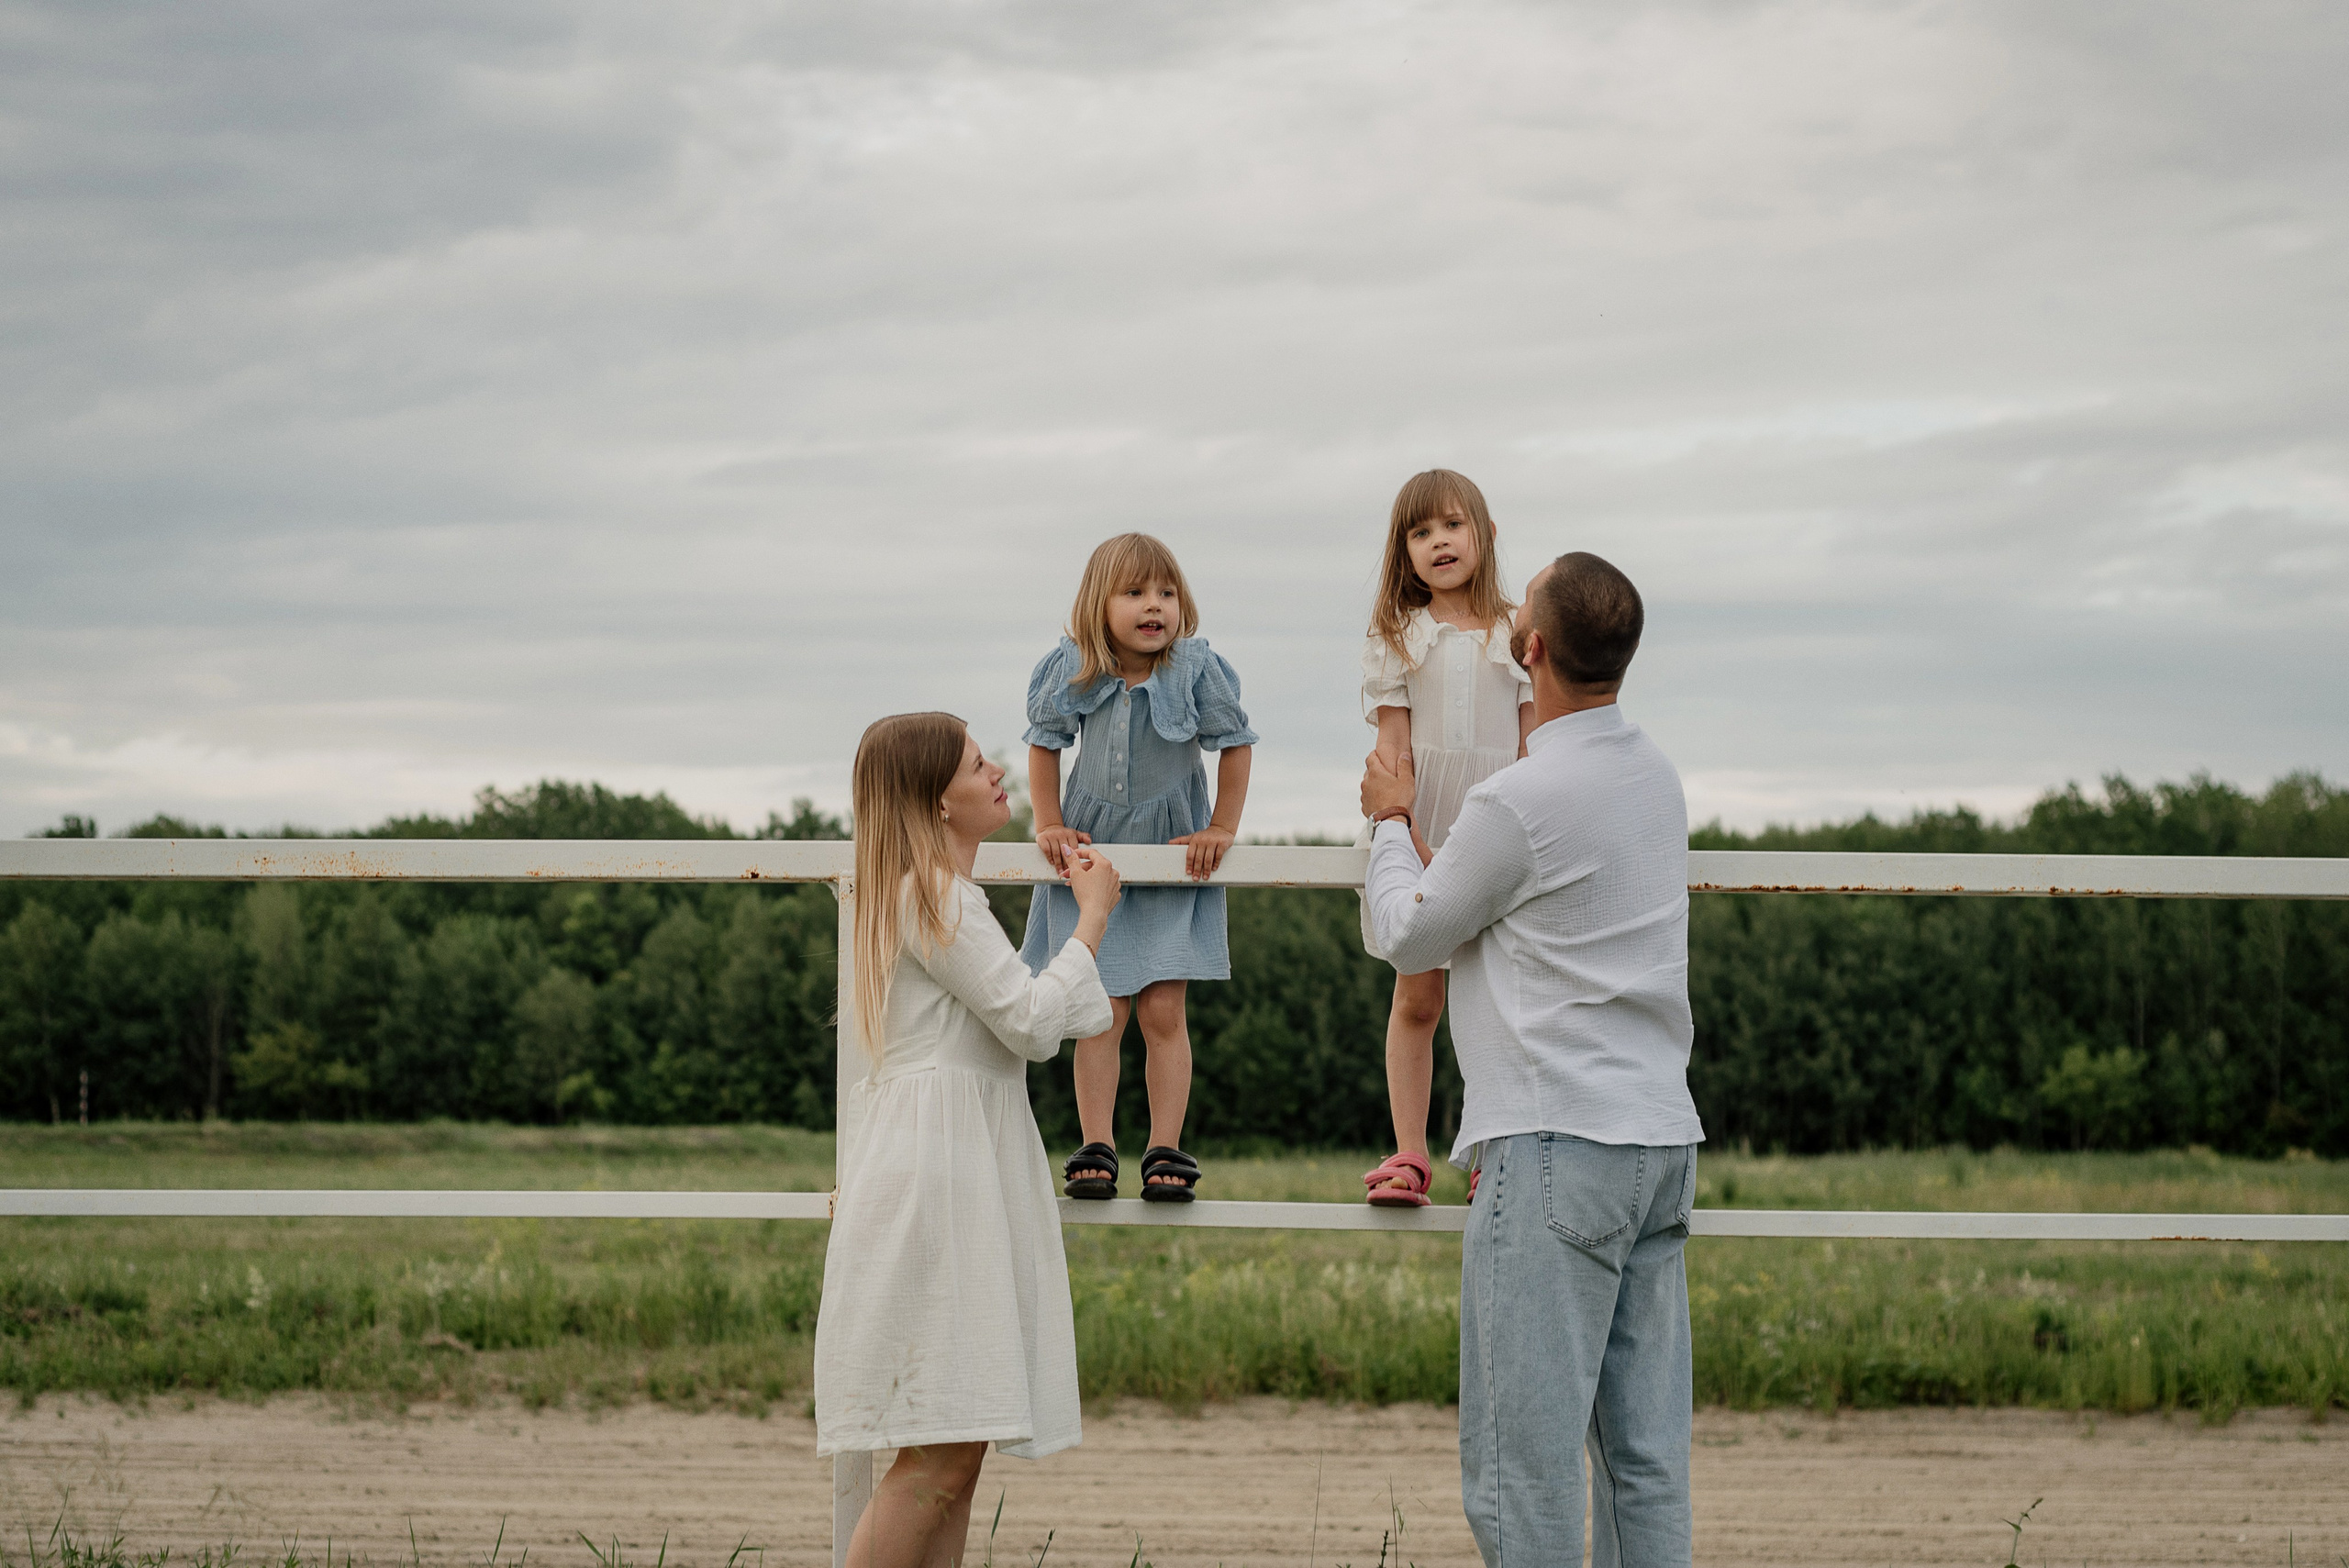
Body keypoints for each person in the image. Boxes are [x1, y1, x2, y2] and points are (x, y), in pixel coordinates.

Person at [1360, 552, 1704, 1568]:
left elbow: (1410, 936)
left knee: (1523, 1468)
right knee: (1643, 1459)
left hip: (1554, 1137)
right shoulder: (1655, 774)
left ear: (1535, 649)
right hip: (1658, 1138)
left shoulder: (1517, 800)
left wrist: (1389, 817)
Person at [815, 711, 1123, 1568]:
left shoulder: (934, 894)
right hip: (939, 1176)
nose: (998, 775)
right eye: (976, 765)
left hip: (957, 1166)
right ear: (936, 801)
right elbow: (1029, 1021)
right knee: (941, 1453)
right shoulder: (934, 893)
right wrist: (1091, 918)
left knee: (962, 1444)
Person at [1021, 532, 1257, 1203]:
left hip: (1170, 850)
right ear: (1100, 605)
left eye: (1166, 592)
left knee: (1161, 1006)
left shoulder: (1196, 668)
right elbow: (1044, 745)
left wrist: (1221, 827)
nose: (1154, 605)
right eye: (1135, 593)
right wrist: (1047, 821)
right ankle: (1097, 1142)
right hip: (1092, 853)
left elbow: (1235, 744)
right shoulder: (1074, 666)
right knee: (1099, 1006)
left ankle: (1164, 1148)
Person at [1354, 470, 1534, 1207]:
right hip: (1421, 827)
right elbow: (1393, 747)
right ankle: (1408, 1153)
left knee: (1497, 998)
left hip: (1496, 824)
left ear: (1485, 534)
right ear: (1405, 551)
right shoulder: (1398, 635)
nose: (1439, 543)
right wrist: (1409, 834)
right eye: (1421, 533)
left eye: (1451, 526)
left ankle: (1492, 1152)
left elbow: (1534, 743)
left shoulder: (1518, 629)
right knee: (1419, 997)